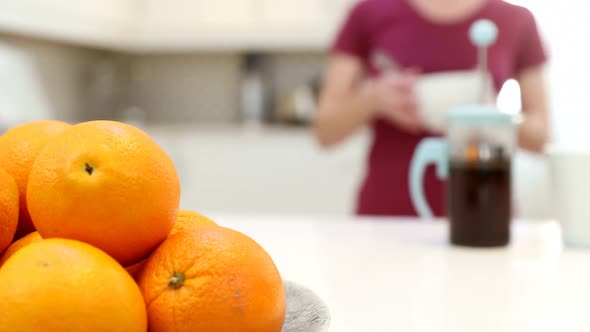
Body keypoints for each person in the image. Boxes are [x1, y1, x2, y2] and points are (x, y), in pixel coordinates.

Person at [313, 0, 549, 217]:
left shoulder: (516, 19)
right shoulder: (369, 13)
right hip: (385, 221)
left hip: (484, 214)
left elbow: (542, 137)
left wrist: (495, 119)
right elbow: (325, 131)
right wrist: (372, 99)